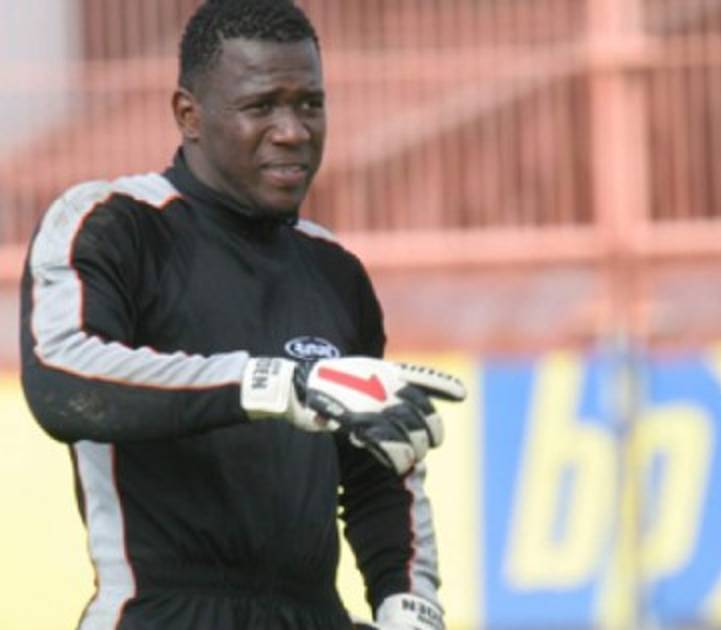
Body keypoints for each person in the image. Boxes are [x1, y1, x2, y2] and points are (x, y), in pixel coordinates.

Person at [19, 2, 460, 629]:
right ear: (189, 115)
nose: (293, 131)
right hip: (161, 612)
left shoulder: (335, 269)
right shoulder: (111, 223)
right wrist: (275, 384)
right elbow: (62, 381)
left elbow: (380, 469)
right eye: (262, 106)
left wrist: (409, 602)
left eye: (310, 104)